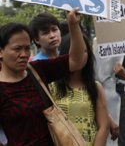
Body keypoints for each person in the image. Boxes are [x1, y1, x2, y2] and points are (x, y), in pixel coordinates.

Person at [0, 9, 87, 145]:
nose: (24, 54)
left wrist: (73, 26)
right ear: (1, 51)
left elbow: (77, 61)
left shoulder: (37, 70)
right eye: (17, 49)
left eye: (27, 48)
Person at [50, 34, 110, 146]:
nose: (81, 56)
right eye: (76, 52)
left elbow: (104, 126)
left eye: (85, 51)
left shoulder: (95, 87)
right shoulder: (51, 87)